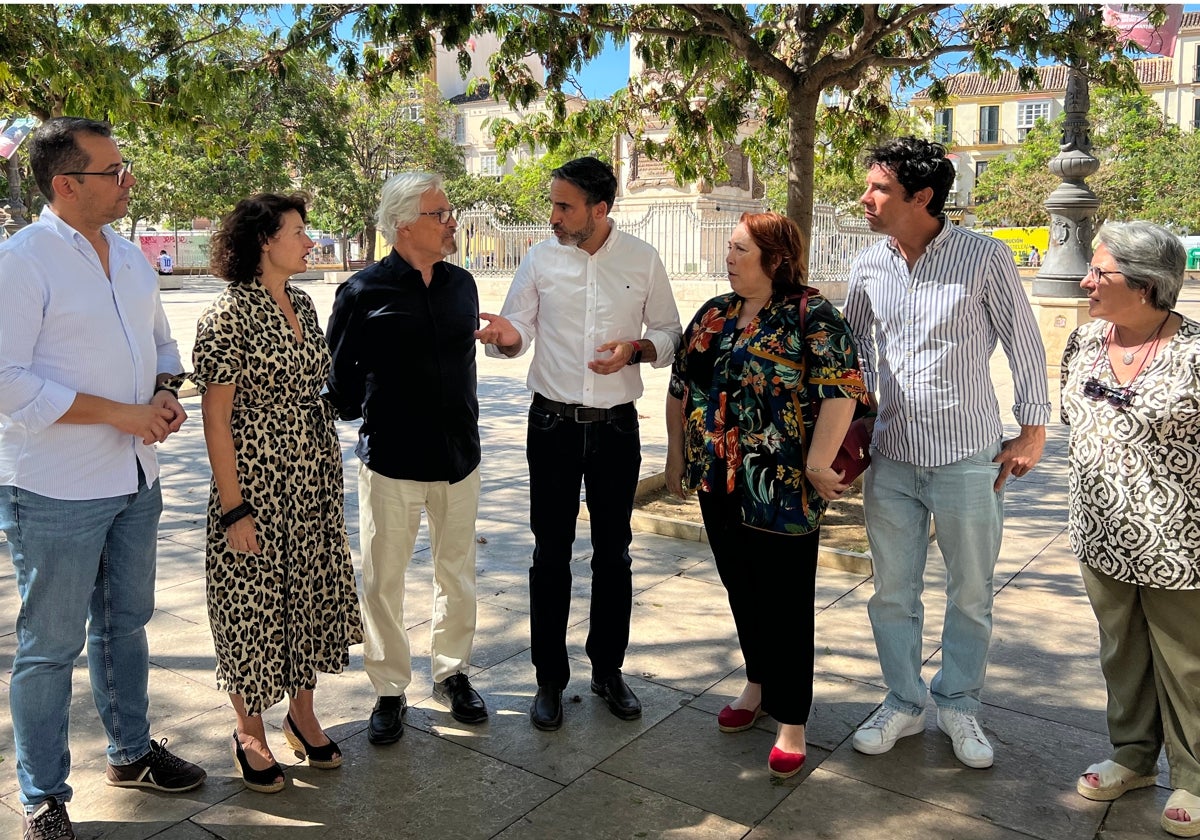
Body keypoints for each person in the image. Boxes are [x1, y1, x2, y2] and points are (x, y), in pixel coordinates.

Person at [0, 117, 205, 840]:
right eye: (113, 171)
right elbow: (7, 382)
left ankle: (129, 752)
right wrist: (119, 414)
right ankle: (43, 795)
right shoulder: (21, 261)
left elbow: (159, 339)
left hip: (134, 477)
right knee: (50, 646)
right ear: (65, 184)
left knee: (126, 624)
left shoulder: (126, 254)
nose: (128, 181)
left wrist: (163, 391)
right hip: (53, 487)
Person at [842, 137, 1050, 769]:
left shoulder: (984, 258)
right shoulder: (868, 262)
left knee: (971, 591)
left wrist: (1033, 427)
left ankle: (959, 703)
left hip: (968, 453)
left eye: (878, 187)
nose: (865, 197)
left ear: (922, 196)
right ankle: (903, 702)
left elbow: (1023, 341)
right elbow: (850, 354)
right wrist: (842, 439)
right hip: (893, 455)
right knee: (893, 593)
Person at [475, 156, 682, 731]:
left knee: (613, 554)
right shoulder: (540, 257)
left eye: (565, 205)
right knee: (550, 554)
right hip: (552, 427)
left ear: (600, 209)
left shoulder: (642, 259)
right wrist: (506, 338)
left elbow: (668, 332)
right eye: (553, 203)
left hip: (617, 426)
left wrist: (636, 350)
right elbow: (517, 331)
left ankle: (608, 671)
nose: (554, 216)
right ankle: (549, 680)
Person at [664, 211, 866, 778]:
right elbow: (681, 387)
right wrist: (676, 454)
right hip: (719, 481)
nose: (728, 258)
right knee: (742, 589)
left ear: (776, 259)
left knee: (786, 601)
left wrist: (820, 461)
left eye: (740, 249)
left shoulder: (813, 315)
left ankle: (792, 717)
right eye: (728, 248)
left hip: (784, 488)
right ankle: (756, 685)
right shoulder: (714, 314)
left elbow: (840, 392)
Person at [191, 193, 362, 793]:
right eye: (298, 231)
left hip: (310, 478)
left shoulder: (305, 303)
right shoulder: (226, 316)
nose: (309, 241)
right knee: (251, 605)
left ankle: (303, 712)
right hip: (256, 482)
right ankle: (249, 729)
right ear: (265, 240)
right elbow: (218, 420)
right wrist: (234, 505)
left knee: (309, 595)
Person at [325, 172, 488, 744]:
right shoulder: (362, 292)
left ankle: (453, 673)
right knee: (384, 578)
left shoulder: (463, 285)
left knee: (457, 574)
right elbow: (338, 380)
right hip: (391, 460)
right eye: (439, 213)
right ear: (402, 226)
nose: (451, 222)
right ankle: (390, 689)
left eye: (449, 212)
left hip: (459, 456)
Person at [1061, 221, 1200, 837]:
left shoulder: (1194, 353)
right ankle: (1133, 756)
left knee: (1186, 663)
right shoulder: (1085, 341)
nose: (1086, 281)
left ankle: (1194, 777)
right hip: (1099, 532)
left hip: (1177, 539)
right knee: (1121, 652)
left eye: (1101, 271)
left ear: (1145, 285)